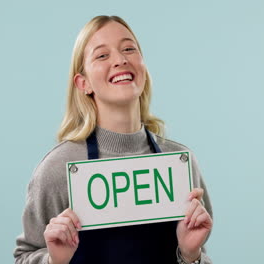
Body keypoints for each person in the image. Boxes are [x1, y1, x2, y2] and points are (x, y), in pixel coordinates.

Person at [14, 15, 213, 264]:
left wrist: (191, 255)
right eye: (102, 55)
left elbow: (197, 254)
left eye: (129, 49)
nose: (120, 60)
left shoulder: (179, 164)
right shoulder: (58, 168)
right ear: (83, 83)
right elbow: (24, 256)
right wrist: (54, 261)